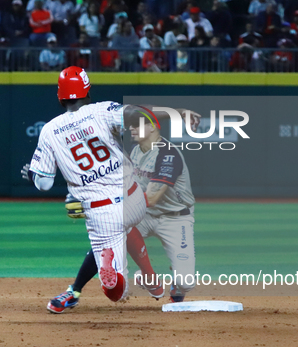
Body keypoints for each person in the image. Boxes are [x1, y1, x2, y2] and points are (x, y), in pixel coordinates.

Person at [23, 67, 176, 312]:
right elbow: (137, 113)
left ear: (60, 96)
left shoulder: (50, 130)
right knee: (126, 225)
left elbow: (44, 183)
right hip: (135, 198)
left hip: (102, 213)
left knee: (117, 292)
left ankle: (103, 268)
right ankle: (150, 280)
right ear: (87, 91)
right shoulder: (102, 109)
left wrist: (31, 174)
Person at [43, 95, 200, 312]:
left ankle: (174, 283)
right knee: (110, 230)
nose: (133, 129)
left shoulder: (168, 155)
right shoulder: (134, 152)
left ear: (154, 127)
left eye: (139, 125)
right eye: (132, 125)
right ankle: (75, 291)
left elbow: (152, 198)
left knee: (186, 281)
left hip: (174, 218)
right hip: (144, 214)